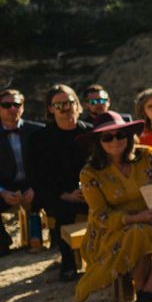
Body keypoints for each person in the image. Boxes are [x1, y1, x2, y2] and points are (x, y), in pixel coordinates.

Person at [71, 118, 152, 302]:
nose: (115, 141)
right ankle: (144, 299)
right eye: (107, 137)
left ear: (129, 137)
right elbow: (100, 215)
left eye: (120, 135)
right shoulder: (89, 173)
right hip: (113, 228)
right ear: (98, 142)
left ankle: (144, 299)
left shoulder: (148, 155)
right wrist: (135, 218)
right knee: (138, 233)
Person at [29, 85, 93, 280]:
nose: (66, 108)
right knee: (64, 211)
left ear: (77, 105)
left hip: (91, 190)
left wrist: (89, 190)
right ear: (50, 108)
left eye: (70, 103)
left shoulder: (91, 134)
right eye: (59, 105)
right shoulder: (40, 139)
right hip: (56, 192)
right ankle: (68, 262)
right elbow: (37, 176)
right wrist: (64, 193)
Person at [1, 87, 42, 257]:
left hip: (35, 183)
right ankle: (3, 243)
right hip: (5, 187)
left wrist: (36, 187)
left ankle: (41, 239)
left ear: (22, 107)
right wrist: (2, 192)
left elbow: (46, 165)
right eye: (6, 105)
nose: (12, 108)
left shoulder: (38, 131)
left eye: (16, 104)